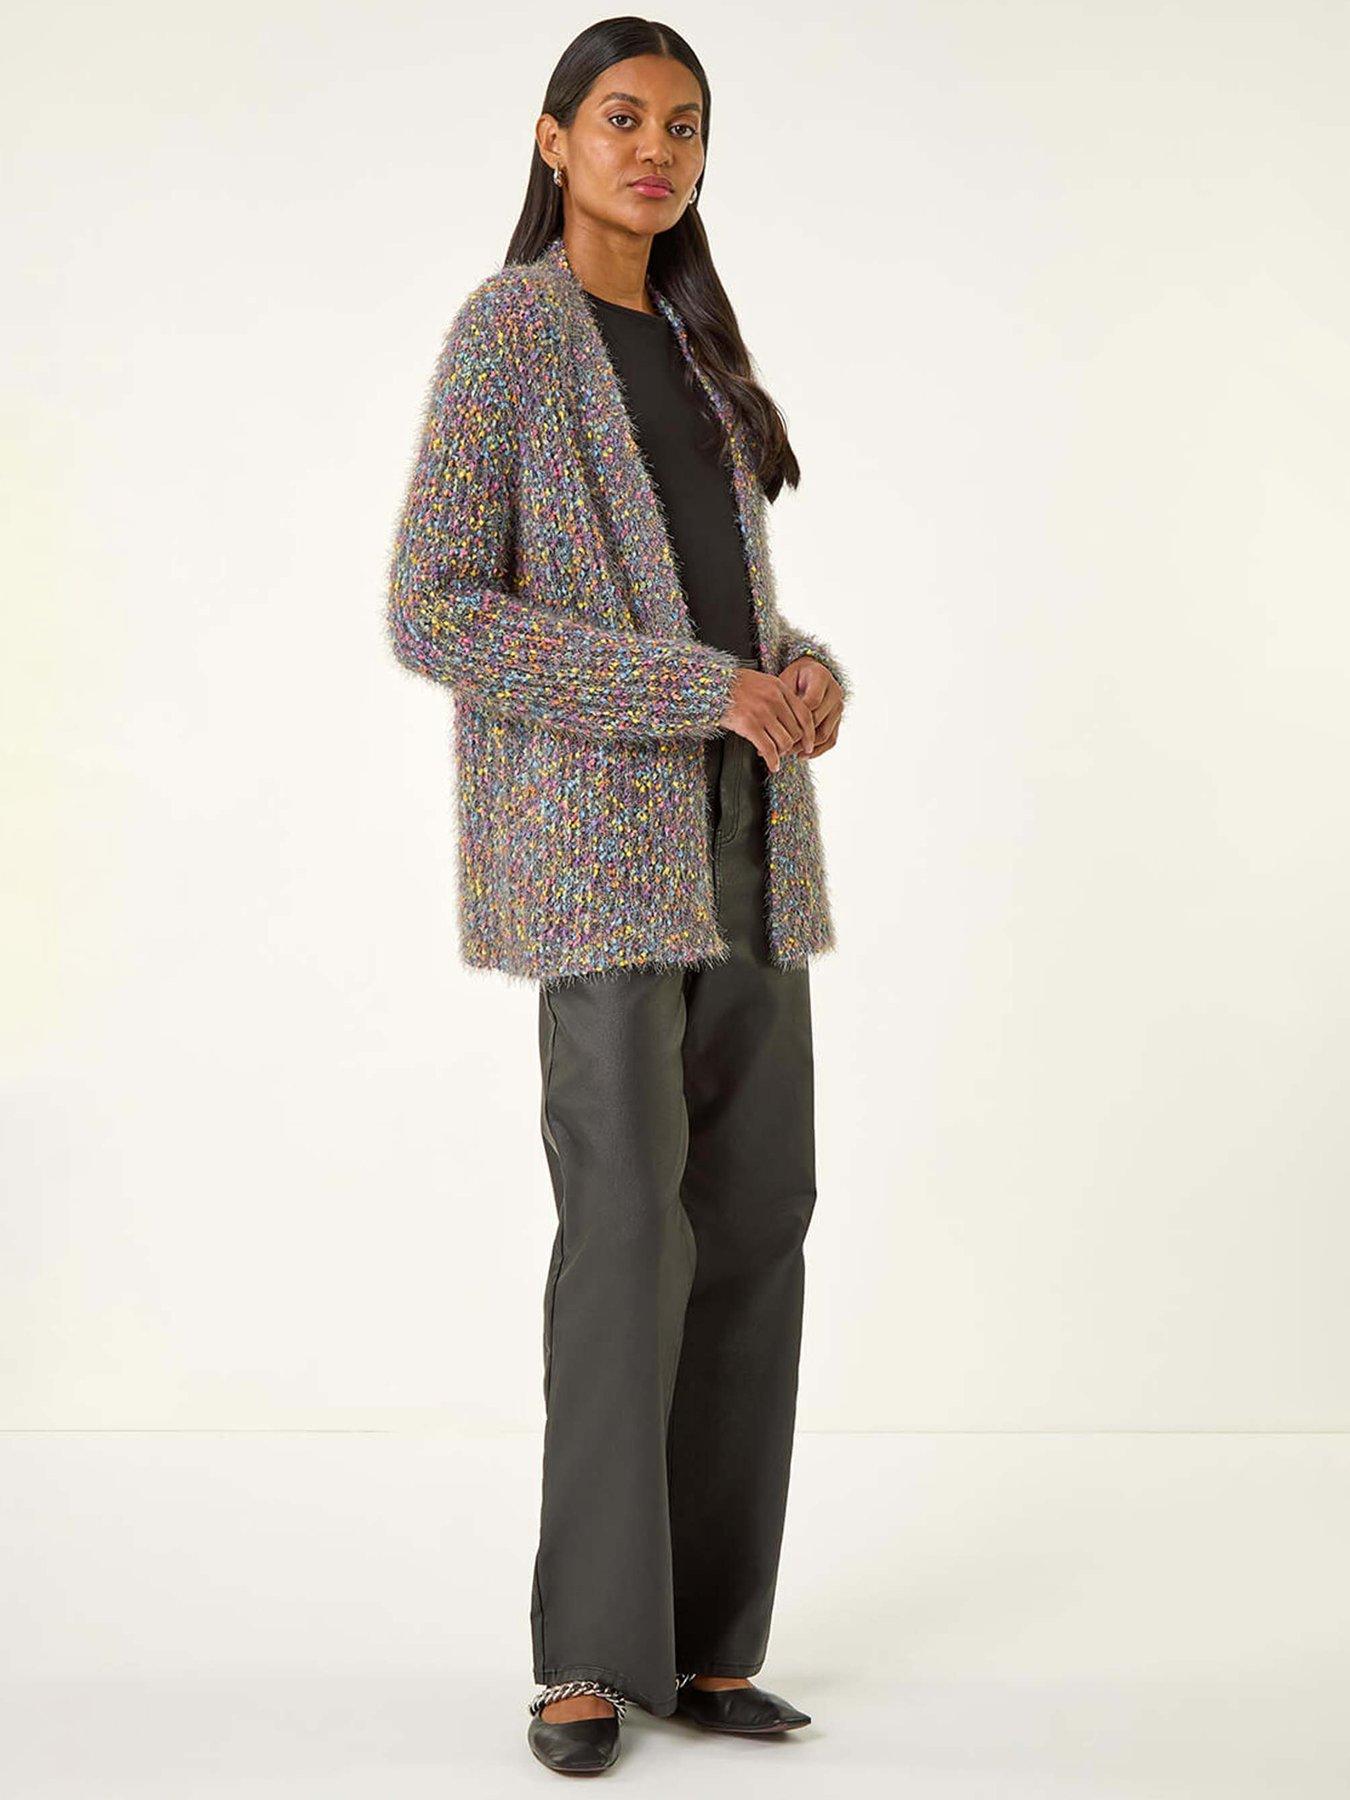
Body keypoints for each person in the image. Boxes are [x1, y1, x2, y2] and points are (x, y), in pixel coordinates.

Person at [387, 18, 851, 1778]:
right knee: (626, 1239)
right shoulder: (508, 333)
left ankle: (710, 1648)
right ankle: (589, 1655)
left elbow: (719, 608)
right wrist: (693, 691)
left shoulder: (697, 348)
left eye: (684, 126)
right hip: (597, 863)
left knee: (756, 1220)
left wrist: (800, 668)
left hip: (748, 839)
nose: (655, 150)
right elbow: (436, 607)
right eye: (622, 119)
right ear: (554, 140)